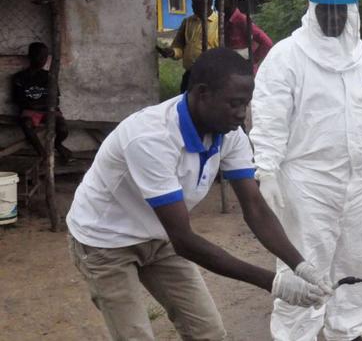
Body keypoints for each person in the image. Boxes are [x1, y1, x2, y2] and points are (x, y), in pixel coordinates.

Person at [65, 48, 332, 340]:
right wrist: (275, 283)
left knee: (208, 333)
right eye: (234, 103)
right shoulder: (151, 138)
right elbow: (184, 241)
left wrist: (301, 265)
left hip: (158, 237)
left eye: (246, 103)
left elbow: (254, 207)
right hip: (105, 241)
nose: (242, 113)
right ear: (202, 93)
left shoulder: (229, 133)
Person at [250, 0, 362, 341]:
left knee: (360, 261)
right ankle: (296, 334)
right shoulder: (287, 57)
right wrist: (267, 170)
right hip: (308, 183)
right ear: (313, 10)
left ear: (351, 11)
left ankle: (349, 331)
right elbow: (270, 118)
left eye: (342, 11)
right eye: (327, 11)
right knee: (305, 265)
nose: (335, 18)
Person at [11, 42, 71, 161]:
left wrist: (39, 105)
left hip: (49, 111)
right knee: (26, 124)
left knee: (63, 129)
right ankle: (43, 154)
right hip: (30, 111)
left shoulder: (49, 76)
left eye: (45, 56)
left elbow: (55, 100)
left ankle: (57, 144)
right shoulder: (19, 77)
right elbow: (18, 100)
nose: (43, 59)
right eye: (39, 55)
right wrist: (39, 105)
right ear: (31, 56)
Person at [158, 0, 219, 93]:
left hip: (210, 76)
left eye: (197, 4)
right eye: (193, 4)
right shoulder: (188, 22)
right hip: (190, 74)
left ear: (208, 4)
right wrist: (173, 52)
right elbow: (179, 45)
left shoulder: (219, 23)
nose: (193, 8)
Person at [221, 0, 274, 74]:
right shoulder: (223, 20)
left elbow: (267, 42)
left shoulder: (241, 20)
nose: (216, 2)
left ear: (231, 1)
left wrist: (252, 60)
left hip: (244, 72)